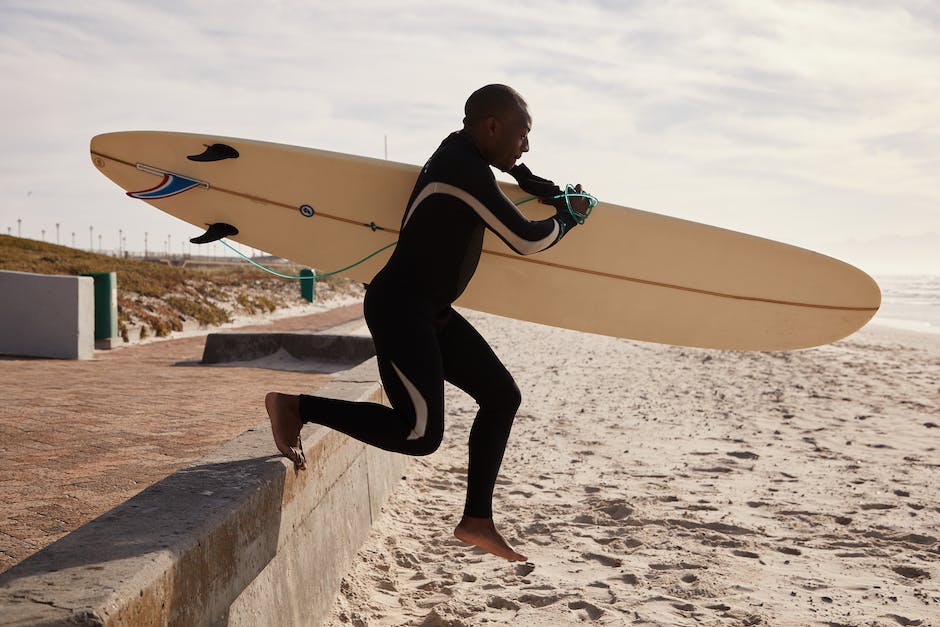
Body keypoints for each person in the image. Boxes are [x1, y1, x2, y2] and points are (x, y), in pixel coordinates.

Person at [266, 84, 591, 562]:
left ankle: (477, 520)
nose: (526, 144)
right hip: (400, 309)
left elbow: (497, 179)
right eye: (523, 133)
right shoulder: (459, 168)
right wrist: (568, 217)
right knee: (419, 434)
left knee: (502, 396)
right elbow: (526, 239)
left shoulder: (465, 157)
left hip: (430, 310)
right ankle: (296, 408)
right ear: (491, 126)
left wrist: (528, 177)